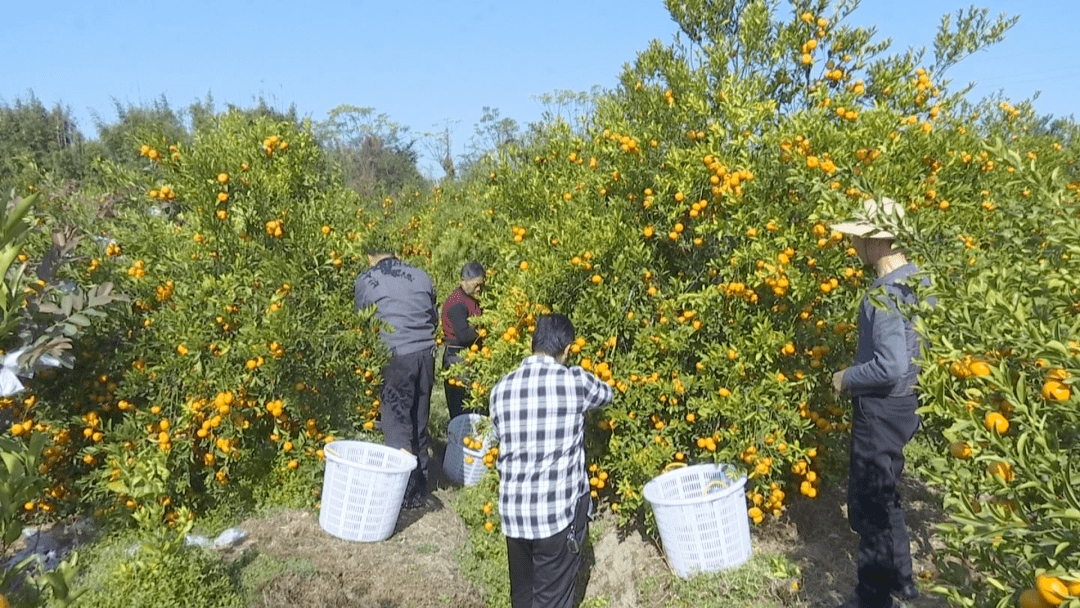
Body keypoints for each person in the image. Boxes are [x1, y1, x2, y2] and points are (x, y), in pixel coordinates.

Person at [830, 198, 931, 608]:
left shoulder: (885, 292)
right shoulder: (920, 279)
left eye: (858, 238)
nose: (854, 246)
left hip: (881, 408)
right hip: (907, 405)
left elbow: (889, 366)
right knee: (887, 494)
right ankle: (903, 582)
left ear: (876, 241)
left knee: (869, 504)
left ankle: (872, 596)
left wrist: (846, 378)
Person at [489, 314, 613, 608]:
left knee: (523, 597)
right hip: (555, 518)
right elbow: (607, 394)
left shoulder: (500, 390)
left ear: (532, 343)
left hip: (515, 515)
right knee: (551, 601)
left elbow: (498, 437)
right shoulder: (575, 383)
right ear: (568, 350)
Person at [354, 242, 438, 509]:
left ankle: (404, 492)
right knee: (419, 420)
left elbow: (362, 321)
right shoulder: (421, 275)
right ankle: (423, 483)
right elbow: (432, 318)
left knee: (397, 423)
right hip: (426, 354)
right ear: (397, 254)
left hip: (395, 354)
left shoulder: (367, 279)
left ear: (370, 257)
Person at [441, 261, 486, 422]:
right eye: (476, 285)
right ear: (463, 281)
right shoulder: (457, 302)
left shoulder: (473, 298)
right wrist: (485, 330)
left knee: (476, 407)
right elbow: (463, 335)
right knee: (462, 409)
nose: (479, 288)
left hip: (471, 356)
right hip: (457, 356)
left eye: (482, 284)